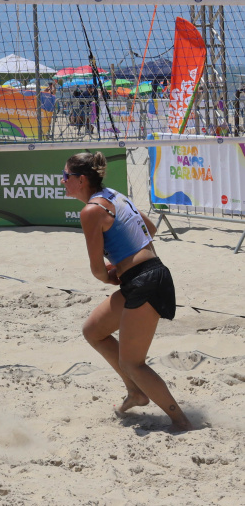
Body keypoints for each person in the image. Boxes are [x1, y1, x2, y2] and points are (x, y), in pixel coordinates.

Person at [62, 152, 193, 433]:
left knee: (133, 362)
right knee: (93, 331)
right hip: (146, 276)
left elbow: (97, 270)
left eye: (66, 177)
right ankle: (136, 393)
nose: (63, 182)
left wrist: (111, 273)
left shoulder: (91, 211)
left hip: (145, 281)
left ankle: (181, 421)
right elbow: (152, 228)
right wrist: (123, 263)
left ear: (81, 180)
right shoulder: (114, 195)